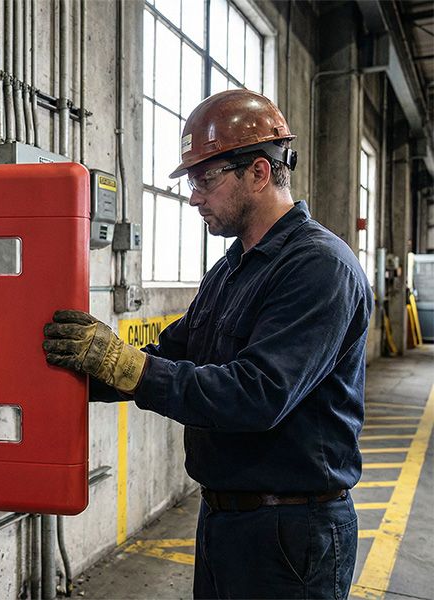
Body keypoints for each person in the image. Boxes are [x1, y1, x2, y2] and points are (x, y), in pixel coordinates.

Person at [43, 89, 372, 599]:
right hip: (226, 519)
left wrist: (125, 366)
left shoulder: (318, 267)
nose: (194, 196)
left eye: (204, 179)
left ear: (259, 173)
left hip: (292, 531)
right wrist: (71, 371)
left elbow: (257, 395)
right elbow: (171, 355)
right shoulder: (231, 268)